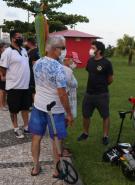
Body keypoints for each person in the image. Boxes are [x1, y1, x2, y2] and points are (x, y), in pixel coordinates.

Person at [28, 35, 73, 177]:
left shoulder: (37, 63)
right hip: (55, 110)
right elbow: (62, 94)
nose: (63, 51)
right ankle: (56, 169)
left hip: (38, 106)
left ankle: (35, 167)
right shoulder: (58, 69)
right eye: (63, 48)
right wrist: (69, 113)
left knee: (36, 137)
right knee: (56, 139)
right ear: (55, 49)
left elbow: (37, 84)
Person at [77, 41, 114, 145]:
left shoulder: (107, 63)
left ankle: (105, 136)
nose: (91, 50)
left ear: (99, 50)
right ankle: (85, 133)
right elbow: (91, 73)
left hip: (102, 94)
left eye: (93, 48)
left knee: (105, 116)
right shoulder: (90, 61)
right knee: (86, 115)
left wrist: (102, 85)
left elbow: (111, 79)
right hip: (89, 94)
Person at [0, 30, 31, 138]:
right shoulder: (7, 52)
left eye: (21, 36)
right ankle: (16, 128)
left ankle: (27, 126)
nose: (21, 38)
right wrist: (8, 76)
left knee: (25, 108)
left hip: (25, 86)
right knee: (14, 110)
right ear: (13, 38)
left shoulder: (23, 50)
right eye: (19, 36)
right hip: (14, 86)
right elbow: (3, 68)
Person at [24, 37, 40, 102]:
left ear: (29, 43)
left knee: (33, 90)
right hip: (31, 73)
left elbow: (34, 63)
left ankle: (35, 105)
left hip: (33, 74)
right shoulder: (33, 50)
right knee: (33, 89)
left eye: (26, 42)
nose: (25, 43)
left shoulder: (33, 52)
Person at [0, 41, 8, 111]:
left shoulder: (4, 55)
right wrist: (1, 76)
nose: (5, 48)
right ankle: (1, 105)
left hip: (5, 75)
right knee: (2, 90)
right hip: (2, 75)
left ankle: (4, 103)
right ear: (1, 48)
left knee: (4, 90)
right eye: (4, 47)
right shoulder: (1, 55)